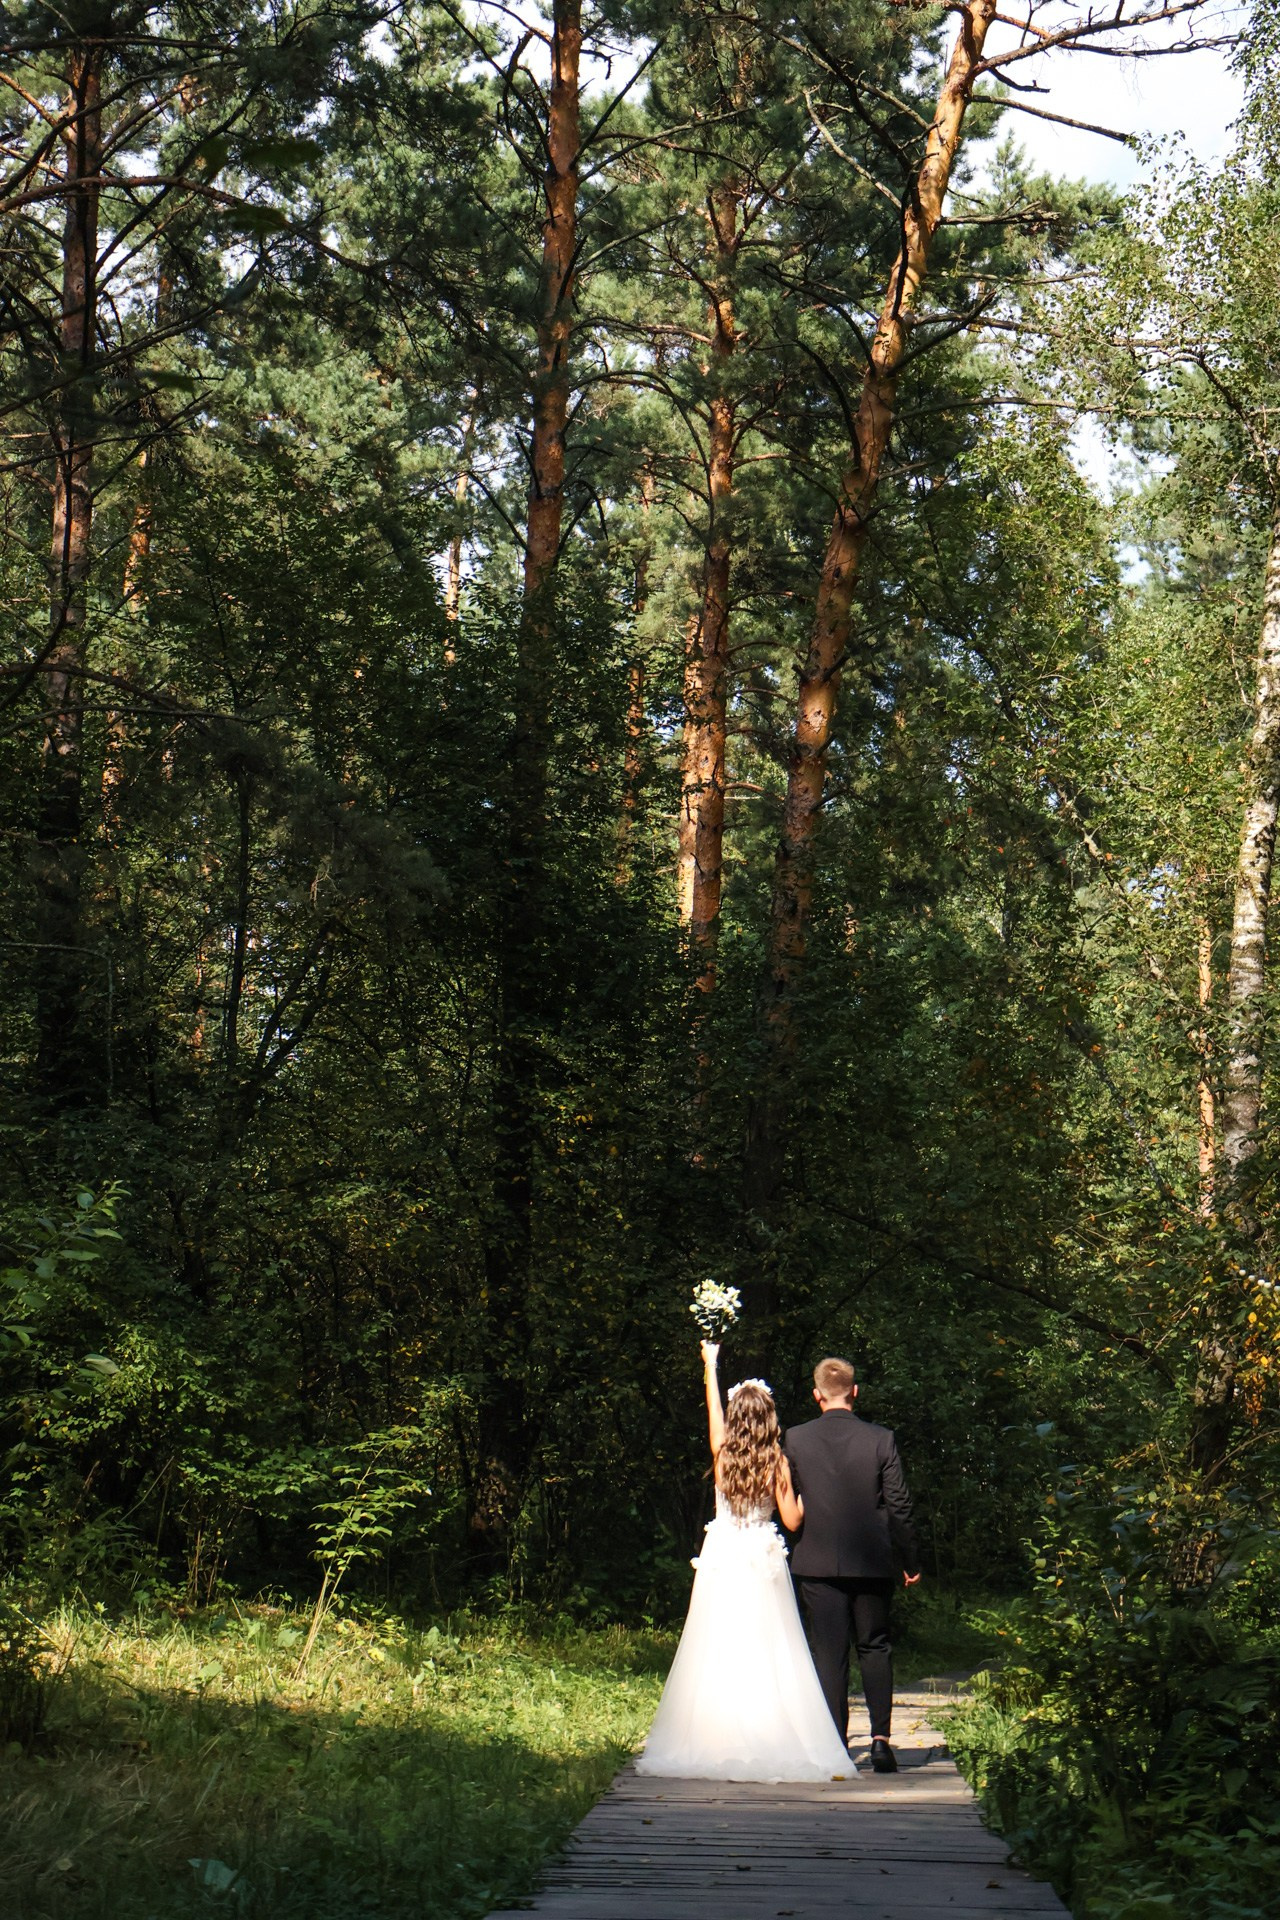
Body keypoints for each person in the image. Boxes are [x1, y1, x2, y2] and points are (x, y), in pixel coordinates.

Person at [636, 1340, 850, 1782]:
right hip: (761, 1556)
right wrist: (809, 1499)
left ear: (736, 1420)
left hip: (724, 1557)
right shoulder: (777, 1464)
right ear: (770, 1419)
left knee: (717, 1643)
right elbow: (791, 1521)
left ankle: (716, 1734)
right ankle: (771, 1729)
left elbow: (711, 1415)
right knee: (770, 1648)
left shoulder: (722, 1454)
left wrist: (710, 1365)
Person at [785, 1356, 921, 1774]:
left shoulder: (795, 1438)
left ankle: (835, 1746)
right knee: (875, 1646)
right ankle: (881, 1742)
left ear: (816, 1395)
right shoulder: (881, 1439)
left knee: (829, 1654)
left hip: (817, 1560)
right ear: (855, 1391)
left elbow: (787, 1505)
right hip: (872, 1561)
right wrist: (909, 1558)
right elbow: (898, 1504)